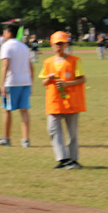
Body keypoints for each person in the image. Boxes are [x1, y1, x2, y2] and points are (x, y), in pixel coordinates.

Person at [40, 31, 87, 169]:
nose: (59, 46)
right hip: (54, 100)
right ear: (52, 45)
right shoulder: (48, 62)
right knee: (53, 129)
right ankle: (63, 158)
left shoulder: (74, 60)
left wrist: (67, 84)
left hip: (71, 101)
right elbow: (43, 82)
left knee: (72, 133)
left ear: (66, 44)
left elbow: (82, 79)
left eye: (61, 43)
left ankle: (73, 159)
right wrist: (48, 79)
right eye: (56, 44)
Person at [0, 23, 34, 147]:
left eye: (4, 32)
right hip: (25, 82)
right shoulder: (24, 47)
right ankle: (25, 140)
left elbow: (5, 66)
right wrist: (31, 83)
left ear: (9, 33)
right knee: (24, 111)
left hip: (12, 82)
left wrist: (2, 85)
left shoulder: (6, 46)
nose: (3, 34)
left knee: (6, 110)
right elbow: (31, 67)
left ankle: (6, 138)